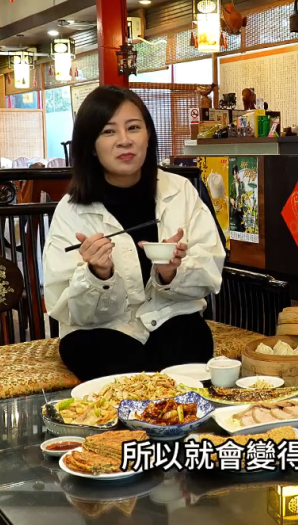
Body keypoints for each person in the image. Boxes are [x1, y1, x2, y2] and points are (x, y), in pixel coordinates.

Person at [43, 86, 225, 381]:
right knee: (117, 358)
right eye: (109, 132)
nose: (124, 141)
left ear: (148, 135)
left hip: (170, 318)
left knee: (188, 340)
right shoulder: (72, 209)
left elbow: (211, 270)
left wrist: (171, 274)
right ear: (91, 144)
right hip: (99, 330)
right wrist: (97, 275)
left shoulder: (179, 191)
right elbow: (63, 305)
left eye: (134, 128)